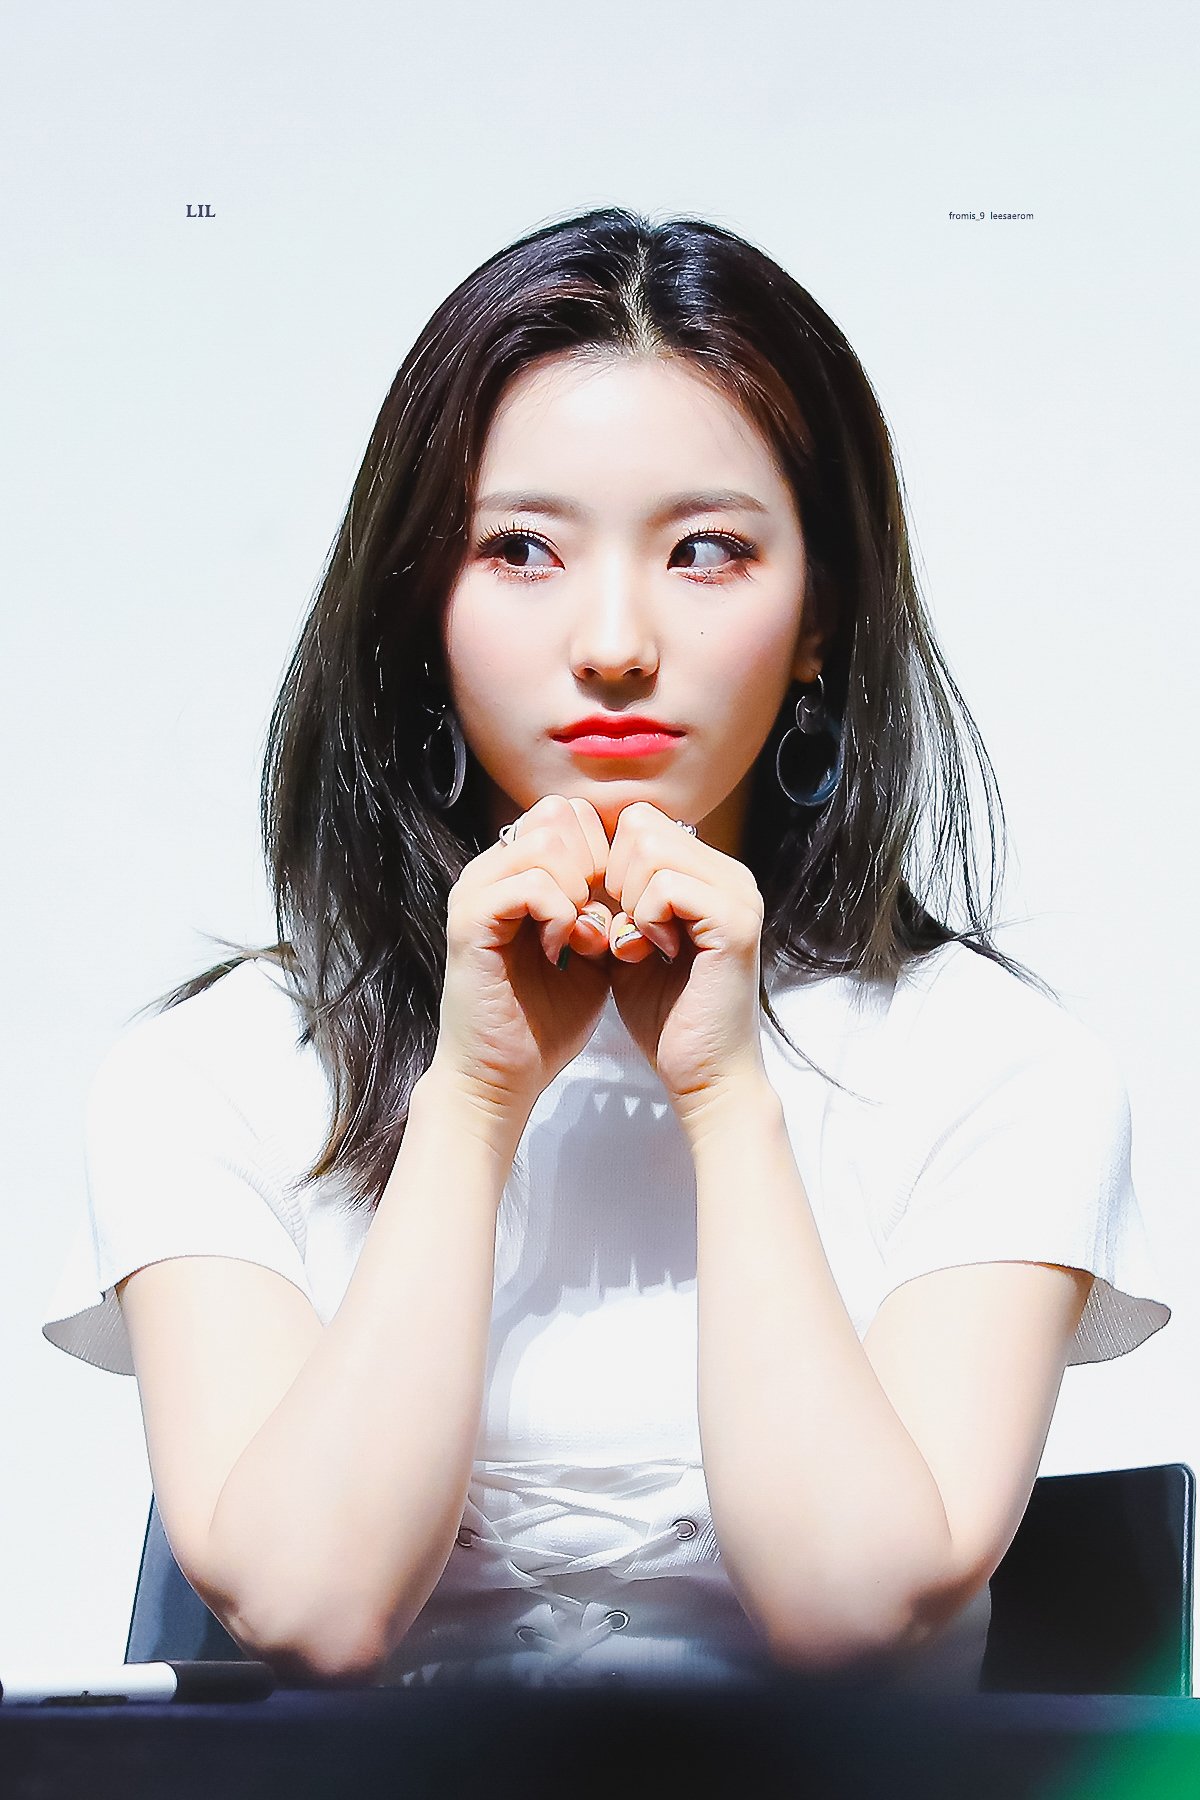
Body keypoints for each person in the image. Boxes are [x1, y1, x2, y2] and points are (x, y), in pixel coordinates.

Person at [42, 206, 1170, 1693]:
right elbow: (311, 1609)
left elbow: (852, 1612)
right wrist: (472, 1100)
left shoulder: (999, 1069)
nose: (616, 642)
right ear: (420, 606)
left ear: (821, 613)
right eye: (522, 550)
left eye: (708, 551)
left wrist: (726, 1094)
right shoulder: (219, 1074)